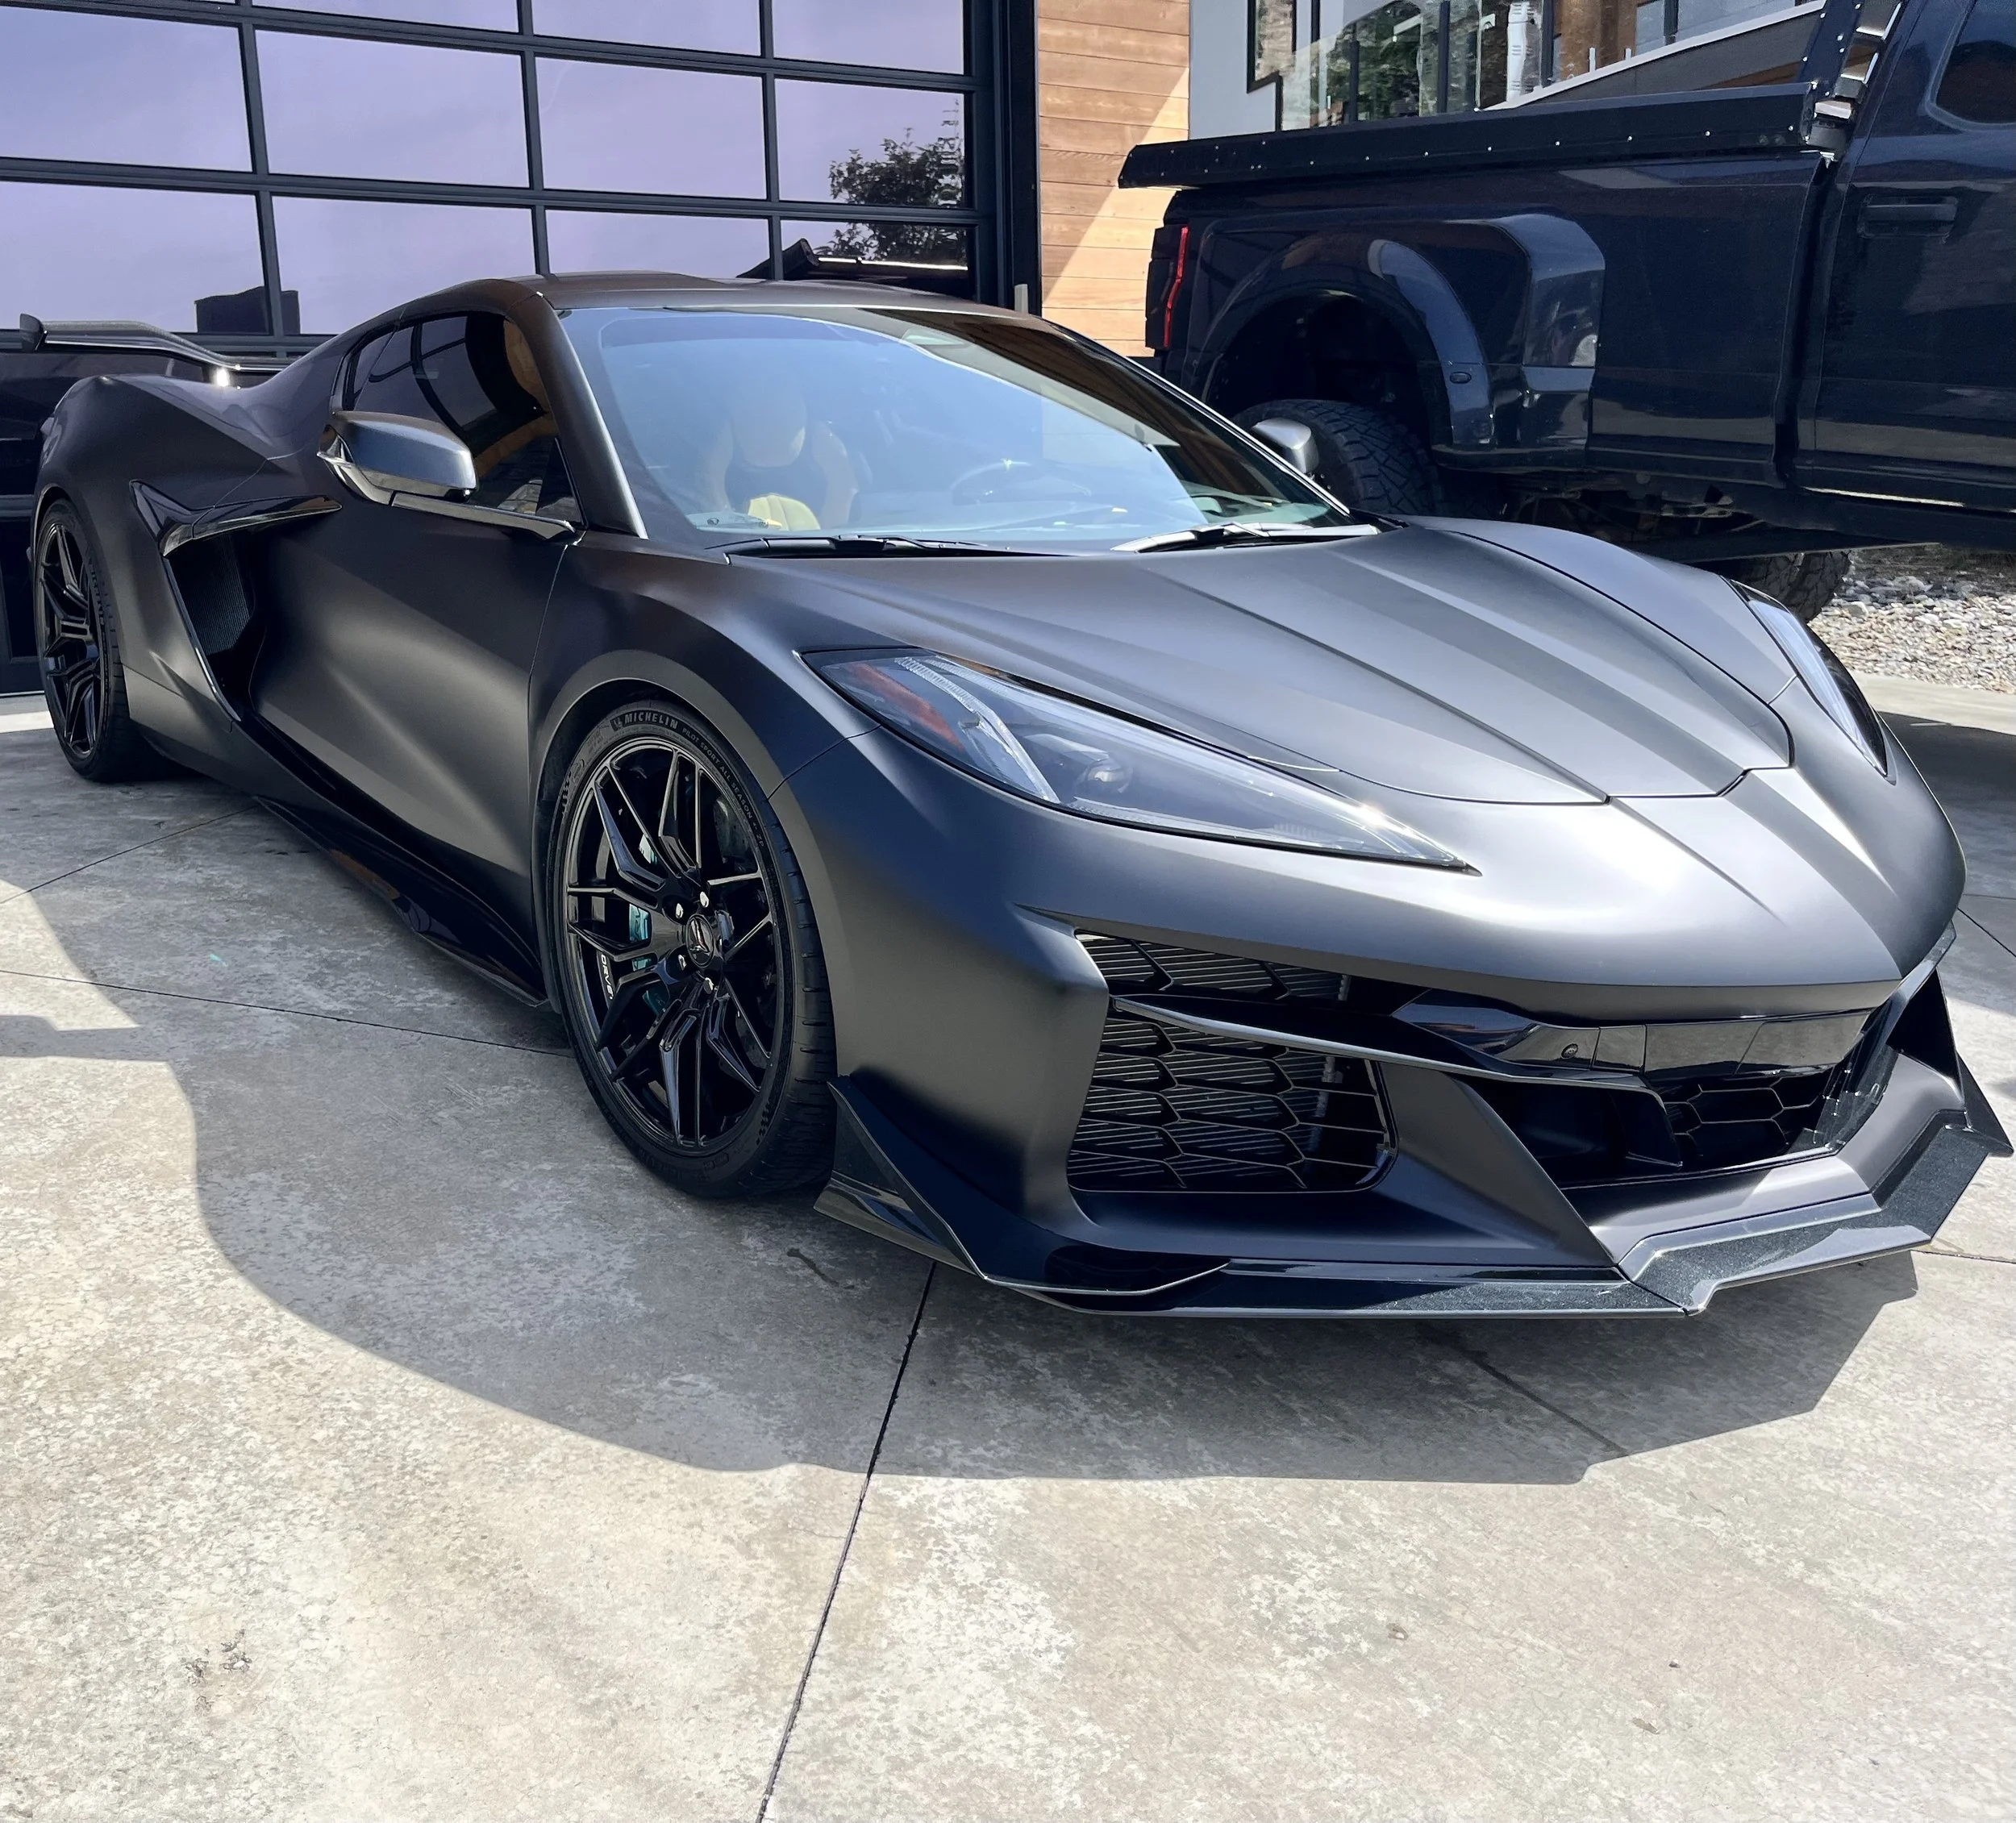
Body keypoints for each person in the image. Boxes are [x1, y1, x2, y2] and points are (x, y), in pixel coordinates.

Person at [696, 364, 857, 530]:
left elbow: (840, 537)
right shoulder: (712, 461)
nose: (769, 405)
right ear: (730, 403)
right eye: (755, 393)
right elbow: (714, 528)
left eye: (782, 391)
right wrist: (712, 471)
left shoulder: (828, 452)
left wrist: (841, 478)